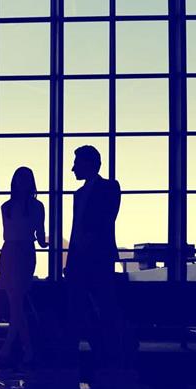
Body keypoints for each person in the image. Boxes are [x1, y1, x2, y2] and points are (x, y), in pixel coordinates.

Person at [64, 145, 127, 366]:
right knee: (80, 306)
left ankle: (111, 350)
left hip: (98, 257)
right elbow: (76, 230)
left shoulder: (110, 187)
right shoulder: (80, 194)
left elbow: (106, 219)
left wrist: (87, 242)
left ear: (89, 163)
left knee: (104, 305)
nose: (73, 169)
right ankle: (101, 350)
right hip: (84, 258)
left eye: (76, 163)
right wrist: (71, 260)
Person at [0, 167, 47, 364]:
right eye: (20, 179)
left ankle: (9, 346)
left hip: (22, 252)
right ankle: (28, 349)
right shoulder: (9, 207)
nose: (22, 183)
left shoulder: (25, 207)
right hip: (11, 251)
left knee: (16, 302)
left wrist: (42, 241)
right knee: (15, 303)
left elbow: (38, 234)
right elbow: (39, 235)